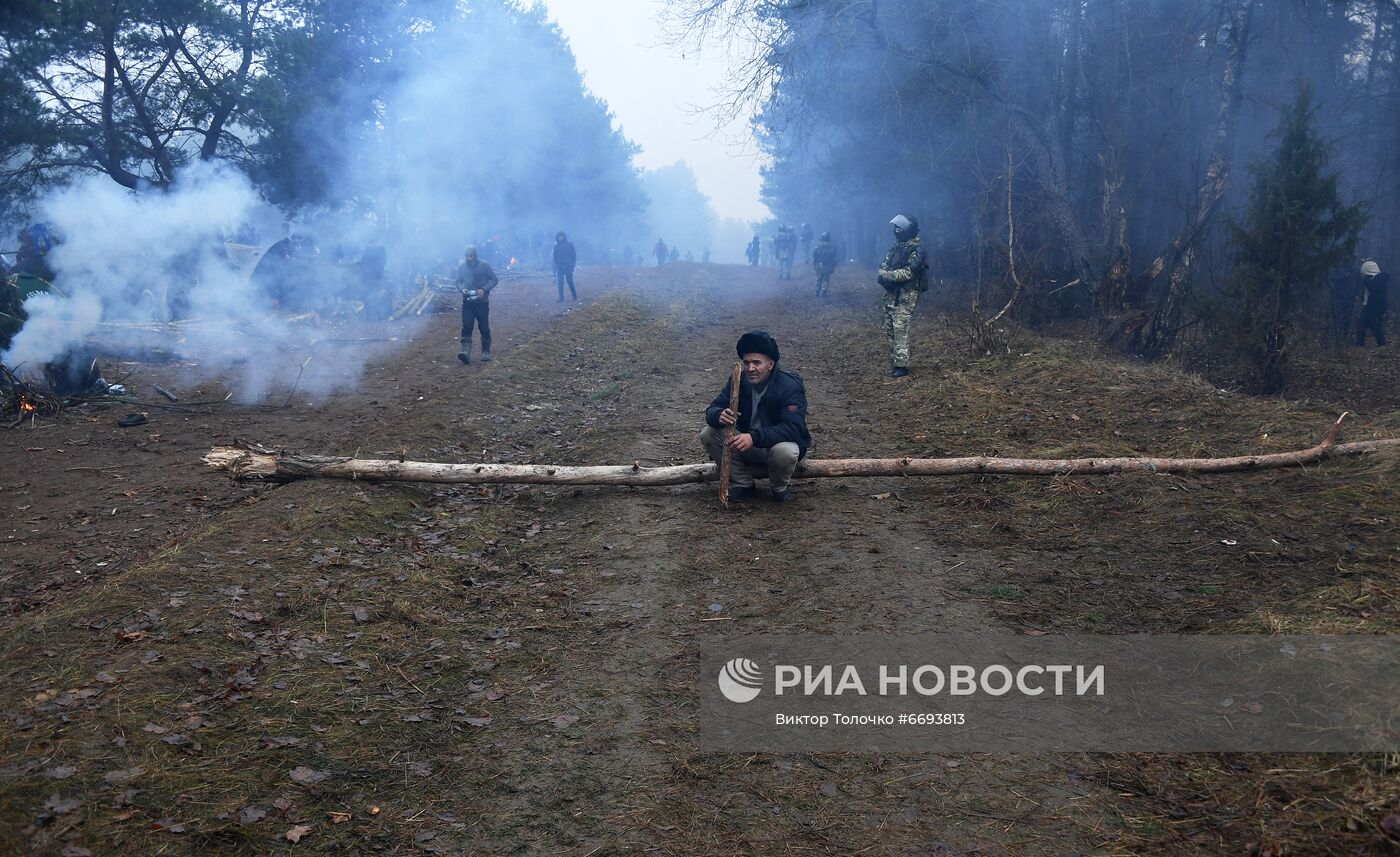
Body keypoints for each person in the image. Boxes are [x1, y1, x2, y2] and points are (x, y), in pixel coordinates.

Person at [701, 330, 812, 503]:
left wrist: (754, 437)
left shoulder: (790, 385)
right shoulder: (739, 379)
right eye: (746, 363)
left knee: (786, 451)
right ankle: (742, 483)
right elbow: (713, 408)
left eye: (756, 363)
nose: (750, 368)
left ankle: (779, 487)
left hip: (773, 447)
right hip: (745, 444)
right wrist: (718, 415)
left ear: (770, 364)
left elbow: (793, 429)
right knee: (708, 433)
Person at [878, 214, 930, 377]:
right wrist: (885, 276)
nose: (897, 230)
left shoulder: (917, 250)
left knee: (900, 327)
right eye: (896, 228)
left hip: (907, 294)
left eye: (900, 228)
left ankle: (902, 365)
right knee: (889, 327)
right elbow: (883, 267)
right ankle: (895, 361)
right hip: (890, 293)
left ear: (909, 230)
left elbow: (909, 273)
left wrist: (888, 276)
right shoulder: (895, 248)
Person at [456, 244, 498, 364]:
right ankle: (465, 352)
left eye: (471, 255)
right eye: (467, 255)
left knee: (484, 327)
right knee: (467, 327)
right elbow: (458, 282)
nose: (469, 258)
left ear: (475, 255)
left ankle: (485, 351)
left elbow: (494, 279)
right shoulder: (462, 267)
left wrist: (484, 289)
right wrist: (462, 289)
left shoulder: (484, 265)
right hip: (468, 302)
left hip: (482, 302)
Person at [1356, 259, 1389, 347]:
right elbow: (1364, 292)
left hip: (1377, 308)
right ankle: (1360, 344)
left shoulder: (1381, 279)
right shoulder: (1368, 279)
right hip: (1368, 307)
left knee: (1376, 327)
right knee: (1361, 325)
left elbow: (1374, 290)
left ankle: (1382, 344)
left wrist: (1367, 282)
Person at [553, 231, 578, 303]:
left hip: (568, 267)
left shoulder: (570, 245)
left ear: (564, 237)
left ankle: (574, 296)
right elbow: (555, 257)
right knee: (560, 282)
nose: (560, 238)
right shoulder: (556, 246)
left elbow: (573, 257)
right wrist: (557, 266)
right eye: (559, 237)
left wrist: (572, 267)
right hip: (560, 267)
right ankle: (561, 298)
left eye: (561, 236)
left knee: (570, 281)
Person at [812, 231, 837, 297]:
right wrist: (832, 266)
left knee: (819, 278)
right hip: (828, 265)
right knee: (826, 279)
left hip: (820, 264)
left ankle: (817, 291)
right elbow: (834, 257)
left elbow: (815, 255)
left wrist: (814, 264)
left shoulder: (818, 246)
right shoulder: (832, 246)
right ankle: (824, 291)